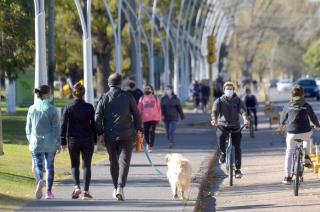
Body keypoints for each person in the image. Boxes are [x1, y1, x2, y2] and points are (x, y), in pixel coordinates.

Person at [95, 73, 142, 201]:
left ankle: (116, 187)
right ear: (120, 83)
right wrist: (139, 129)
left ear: (108, 83)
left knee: (113, 162)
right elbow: (136, 114)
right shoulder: (128, 96)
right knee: (124, 163)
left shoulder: (104, 97)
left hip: (110, 136)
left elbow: (97, 116)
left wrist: (100, 133)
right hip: (127, 135)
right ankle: (120, 187)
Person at [61, 82, 97, 200]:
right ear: (84, 93)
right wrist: (95, 139)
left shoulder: (68, 107)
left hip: (73, 140)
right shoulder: (89, 107)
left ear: (73, 93)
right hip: (87, 139)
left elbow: (63, 125)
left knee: (74, 165)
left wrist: (63, 141)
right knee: (86, 165)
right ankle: (86, 192)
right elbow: (94, 125)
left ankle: (76, 187)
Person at [280, 85, 320, 185]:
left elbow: (282, 120)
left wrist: (284, 124)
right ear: (302, 94)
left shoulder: (288, 105)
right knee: (307, 138)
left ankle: (287, 177)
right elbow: (313, 117)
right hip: (305, 132)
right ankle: (306, 155)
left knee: (289, 152)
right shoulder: (306, 105)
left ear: (291, 95)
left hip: (291, 133)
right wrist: (317, 125)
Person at [25, 85, 60, 199]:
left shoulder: (31, 109)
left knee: (37, 165)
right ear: (46, 94)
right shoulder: (52, 109)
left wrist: (31, 140)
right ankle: (48, 192)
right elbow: (56, 128)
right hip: (50, 143)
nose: (50, 95)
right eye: (49, 93)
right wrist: (58, 142)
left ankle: (40, 180)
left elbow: (28, 128)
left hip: (36, 142)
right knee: (49, 166)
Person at [211, 81, 249, 179]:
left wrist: (245, 119)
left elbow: (243, 111)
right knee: (220, 136)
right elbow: (215, 111)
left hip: (235, 126)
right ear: (224, 90)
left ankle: (237, 170)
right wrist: (214, 119)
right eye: (227, 89)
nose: (229, 90)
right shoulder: (219, 101)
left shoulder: (238, 101)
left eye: (231, 89)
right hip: (223, 125)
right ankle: (223, 153)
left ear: (233, 90)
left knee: (237, 147)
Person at [138, 85, 162, 153]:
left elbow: (159, 109)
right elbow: (139, 109)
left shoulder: (156, 98)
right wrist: (137, 118)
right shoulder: (142, 98)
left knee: (151, 131)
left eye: (149, 89)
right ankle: (148, 144)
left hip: (154, 118)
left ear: (152, 90)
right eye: (146, 88)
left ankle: (150, 146)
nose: (148, 90)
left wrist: (159, 119)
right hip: (145, 119)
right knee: (146, 132)